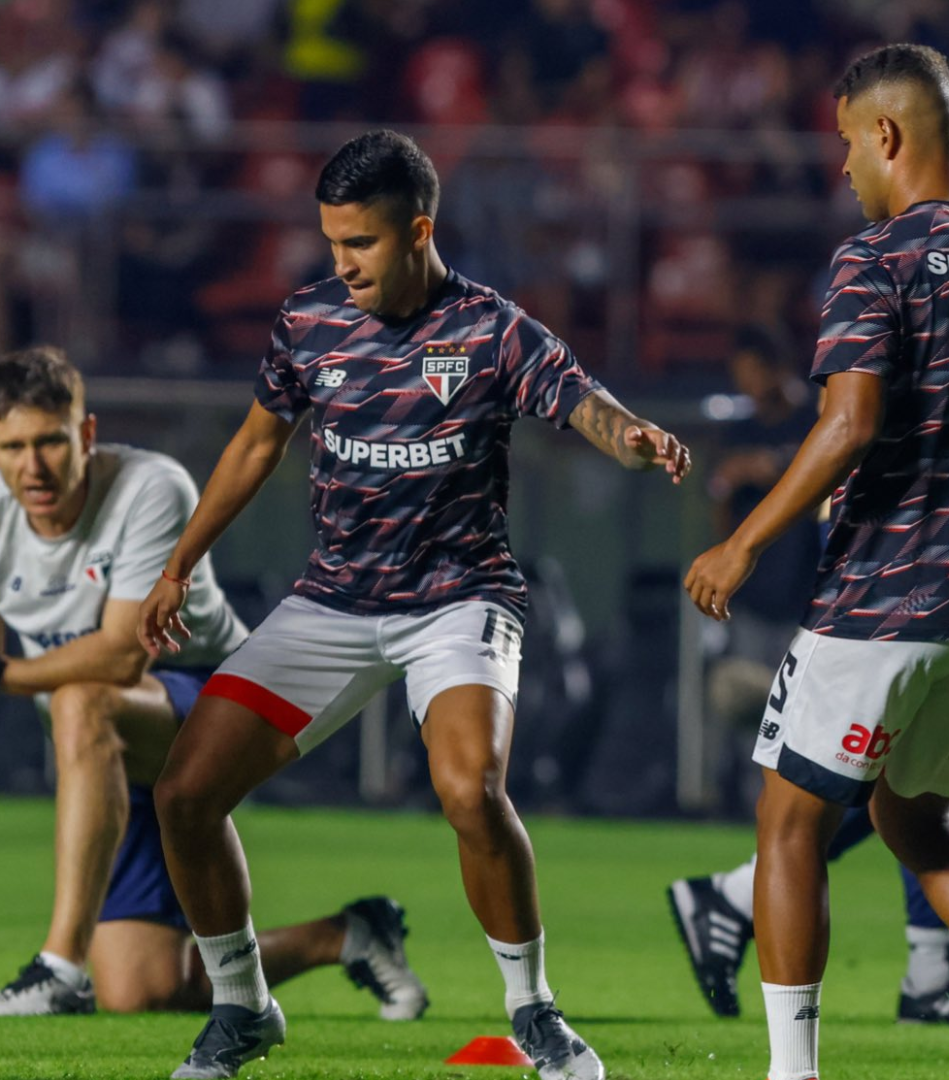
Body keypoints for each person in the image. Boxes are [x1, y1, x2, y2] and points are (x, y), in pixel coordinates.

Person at [136, 130, 692, 1080]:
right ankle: (242, 1009)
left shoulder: (491, 330)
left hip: (458, 600)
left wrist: (632, 436)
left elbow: (583, 402)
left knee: (470, 792)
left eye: (361, 244)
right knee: (185, 795)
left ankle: (535, 1014)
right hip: (333, 603)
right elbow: (255, 447)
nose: (340, 264)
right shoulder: (308, 323)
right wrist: (179, 563)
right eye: (331, 243)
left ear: (418, 230)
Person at [683, 44, 949, 1080]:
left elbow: (850, 422)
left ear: (888, 134)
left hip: (880, 601)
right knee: (915, 817)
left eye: (843, 146)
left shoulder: (878, 258)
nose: (842, 170)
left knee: (788, 822)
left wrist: (742, 542)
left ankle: (792, 1071)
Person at [0, 347, 428, 1020]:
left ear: (85, 435)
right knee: (145, 991)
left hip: (216, 701)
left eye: (52, 442)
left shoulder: (151, 487)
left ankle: (57, 967)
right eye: (15, 446)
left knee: (82, 699)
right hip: (106, 745)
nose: (34, 466)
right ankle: (350, 935)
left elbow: (120, 658)